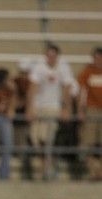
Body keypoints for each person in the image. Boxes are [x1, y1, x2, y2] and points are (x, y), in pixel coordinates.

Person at [26, 43, 75, 180]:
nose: (51, 58)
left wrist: (66, 108)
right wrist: (30, 108)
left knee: (48, 138)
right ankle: (45, 165)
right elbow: (33, 88)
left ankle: (47, 168)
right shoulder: (39, 67)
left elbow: (67, 88)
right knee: (37, 138)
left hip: (54, 108)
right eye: (48, 55)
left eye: (53, 56)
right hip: (39, 107)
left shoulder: (63, 68)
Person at [77, 47, 102, 181]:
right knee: (88, 142)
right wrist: (81, 110)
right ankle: (93, 171)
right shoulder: (87, 72)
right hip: (92, 110)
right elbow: (82, 92)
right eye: (96, 58)